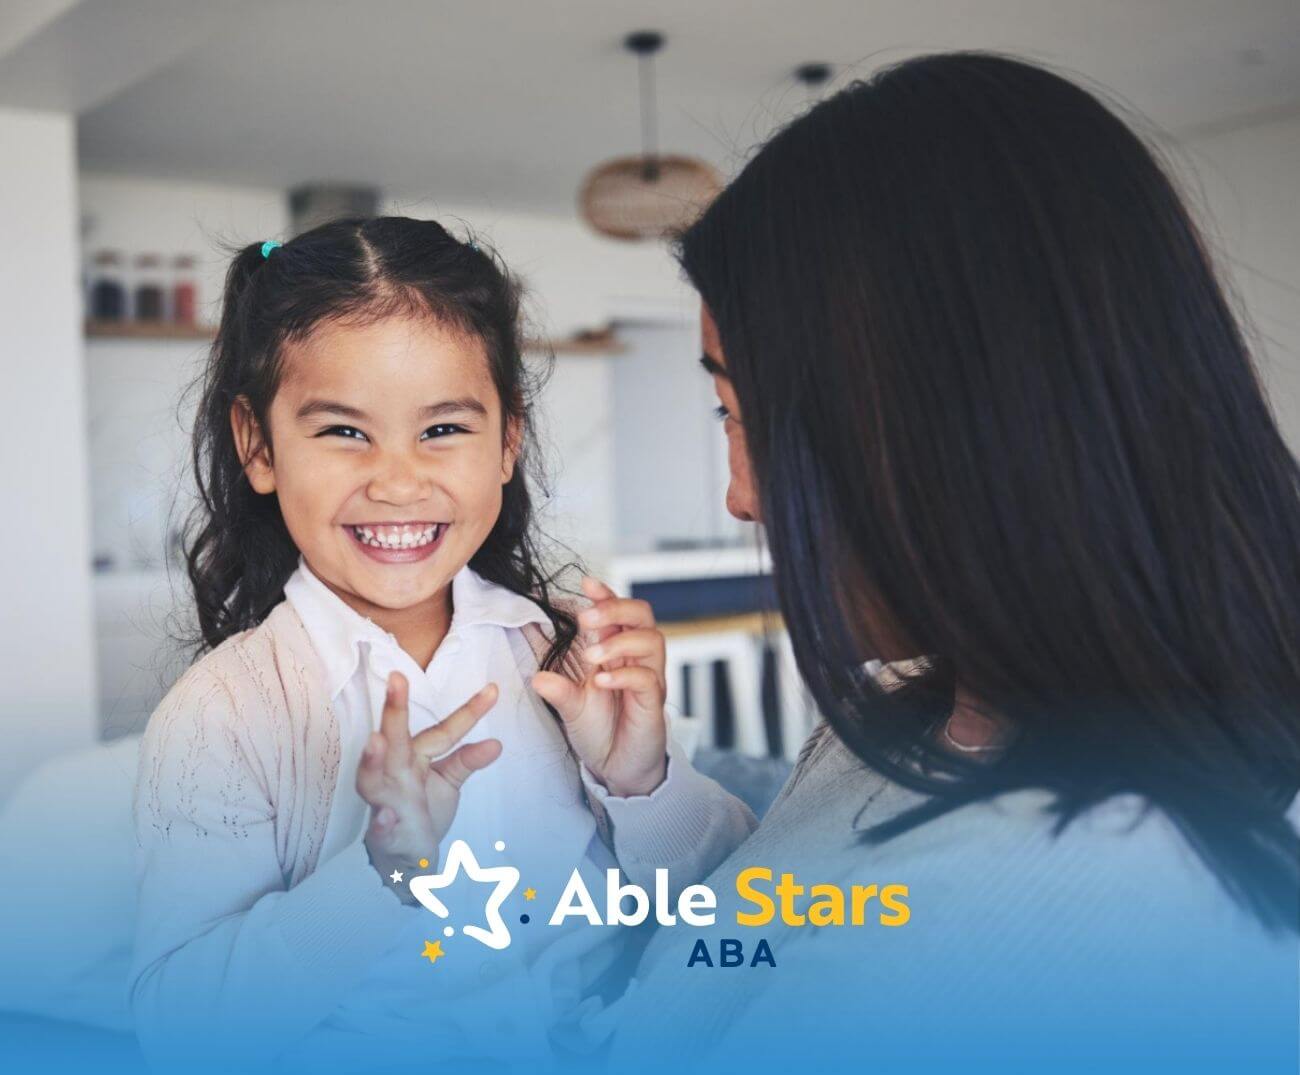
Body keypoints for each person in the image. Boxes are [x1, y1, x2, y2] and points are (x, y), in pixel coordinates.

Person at [605, 52, 1300, 1074]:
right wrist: (644, 788)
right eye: (725, 413)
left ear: (949, 426)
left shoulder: (1027, 934)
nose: (741, 497)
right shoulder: (924, 711)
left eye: (747, 416)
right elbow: (735, 951)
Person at [129, 217, 756, 1072]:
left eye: (443, 429)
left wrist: (641, 780)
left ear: (507, 441)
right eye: (344, 431)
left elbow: (742, 908)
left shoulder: (560, 655)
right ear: (258, 444)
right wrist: (381, 873)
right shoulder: (223, 715)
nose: (398, 481)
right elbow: (180, 1027)